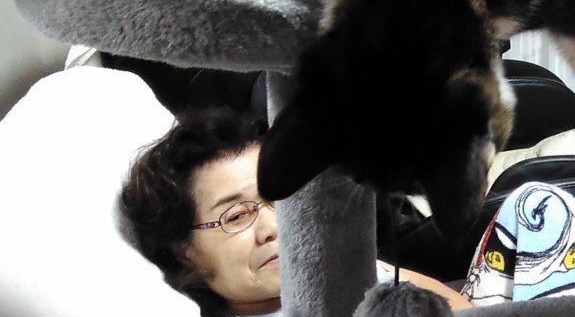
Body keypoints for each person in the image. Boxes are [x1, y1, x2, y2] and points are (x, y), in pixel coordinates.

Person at [119, 108, 471, 317]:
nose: (274, 226)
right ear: (185, 250)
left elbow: (463, 308)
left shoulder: (350, 268)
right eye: (237, 216)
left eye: (282, 199)